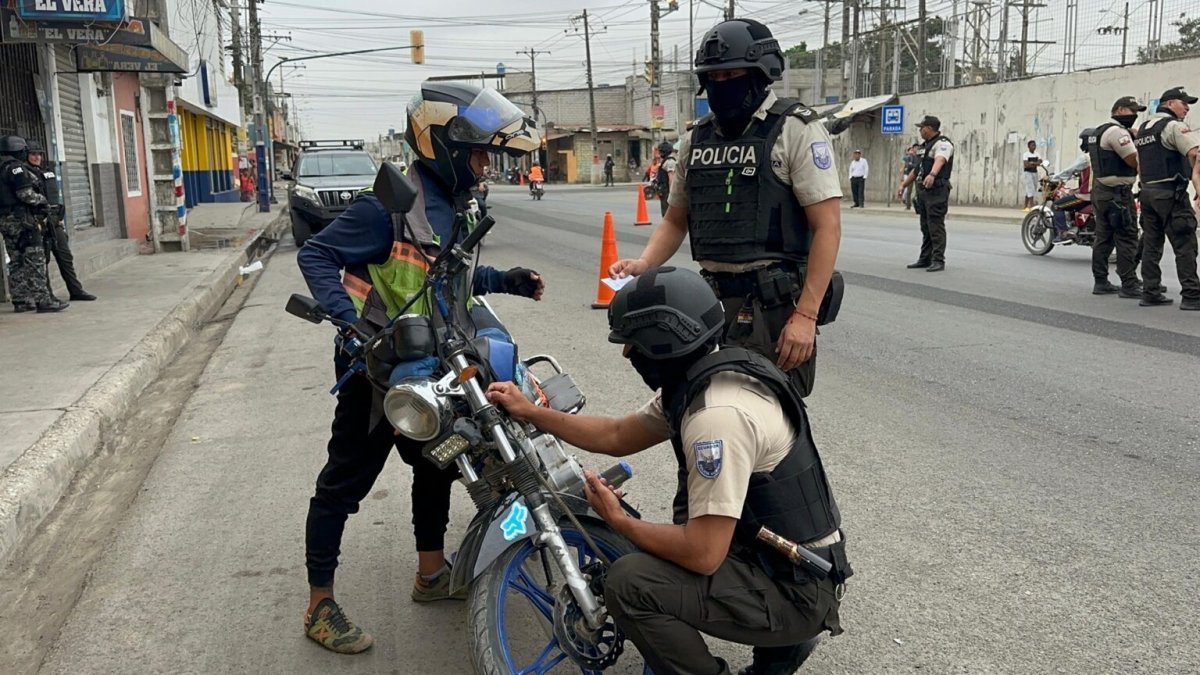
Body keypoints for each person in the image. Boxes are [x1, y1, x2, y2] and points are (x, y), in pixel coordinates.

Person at [486, 266, 851, 675]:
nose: (627, 354)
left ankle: (775, 641)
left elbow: (703, 553)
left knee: (629, 582)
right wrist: (531, 412)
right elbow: (617, 434)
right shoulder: (710, 375)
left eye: (632, 343)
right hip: (787, 562)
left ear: (661, 342)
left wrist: (619, 522)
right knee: (674, 531)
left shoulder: (716, 417)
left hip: (796, 588)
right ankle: (782, 648)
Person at [295, 81, 546, 653]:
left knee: (437, 464)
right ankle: (318, 605)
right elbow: (317, 253)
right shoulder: (387, 205)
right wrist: (350, 324)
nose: (486, 166)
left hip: (433, 365)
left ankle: (430, 574)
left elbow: (447, 275)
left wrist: (504, 280)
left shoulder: (458, 205)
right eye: (478, 154)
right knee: (343, 484)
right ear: (446, 148)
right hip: (375, 371)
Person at [611, 18, 843, 399]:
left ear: (760, 74)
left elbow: (827, 227)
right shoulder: (696, 139)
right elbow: (675, 220)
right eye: (714, 77)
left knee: (766, 413)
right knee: (691, 403)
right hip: (709, 301)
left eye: (732, 74)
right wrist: (644, 263)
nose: (722, 84)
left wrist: (805, 314)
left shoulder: (796, 130)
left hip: (772, 306)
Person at [1134, 86, 1200, 310]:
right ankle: (1191, 295)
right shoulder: (1173, 126)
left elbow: (1140, 164)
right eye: (1184, 103)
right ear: (1170, 103)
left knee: (1151, 245)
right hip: (1171, 193)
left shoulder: (1144, 128)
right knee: (1185, 244)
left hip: (1148, 192)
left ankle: (1150, 292)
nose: (1187, 108)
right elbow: (1194, 153)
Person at [0, 135, 66, 313]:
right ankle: (43, 301)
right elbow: (25, 195)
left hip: (5, 221)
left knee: (16, 260)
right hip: (22, 221)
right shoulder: (16, 168)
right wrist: (43, 201)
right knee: (35, 259)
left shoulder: (1, 168)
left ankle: (20, 300)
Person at [1087, 97, 1145, 297]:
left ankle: (1101, 281)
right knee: (1127, 237)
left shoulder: (1099, 131)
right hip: (1117, 195)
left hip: (1101, 191)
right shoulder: (1118, 133)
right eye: (1132, 111)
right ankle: (1129, 284)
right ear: (1119, 110)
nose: (1135, 115)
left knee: (1103, 238)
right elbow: (1134, 161)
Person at [25, 141, 96, 302]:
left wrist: (58, 218)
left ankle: (76, 290)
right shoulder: (24, 175)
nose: (37, 157)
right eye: (33, 154)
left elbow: (55, 197)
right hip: (38, 224)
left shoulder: (46, 172)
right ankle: (47, 296)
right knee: (41, 261)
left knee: (65, 257)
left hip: (54, 221)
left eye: (39, 154)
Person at [897, 115, 954, 272]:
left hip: (937, 190)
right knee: (926, 226)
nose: (920, 131)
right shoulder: (925, 146)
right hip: (924, 191)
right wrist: (904, 185)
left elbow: (940, 159)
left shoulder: (943, 144)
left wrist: (933, 174)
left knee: (935, 226)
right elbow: (917, 170)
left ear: (929, 128)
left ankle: (938, 260)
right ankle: (925, 258)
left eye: (921, 128)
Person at [655, 141, 678, 216]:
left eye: (660, 151)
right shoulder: (666, 161)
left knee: (668, 214)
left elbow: (671, 178)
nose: (659, 153)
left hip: (667, 192)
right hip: (665, 191)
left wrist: (672, 194)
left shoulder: (669, 162)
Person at [1022, 140, 1043, 210]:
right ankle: (1031, 206)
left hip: (1034, 172)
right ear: (1029, 146)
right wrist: (1035, 163)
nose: (1034, 147)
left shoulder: (1037, 154)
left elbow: (1040, 162)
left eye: (1035, 145)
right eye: (1032, 145)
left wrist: (1032, 163)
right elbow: (1026, 165)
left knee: (1032, 188)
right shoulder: (1026, 154)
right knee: (1030, 188)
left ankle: (1025, 206)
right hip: (1028, 173)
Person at [900, 144, 920, 209]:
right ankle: (908, 205)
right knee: (909, 191)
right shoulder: (909, 157)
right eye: (915, 148)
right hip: (910, 175)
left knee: (918, 191)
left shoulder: (919, 156)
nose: (916, 149)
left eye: (917, 148)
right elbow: (908, 165)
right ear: (913, 148)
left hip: (917, 175)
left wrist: (913, 165)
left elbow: (918, 165)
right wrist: (914, 165)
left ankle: (918, 205)